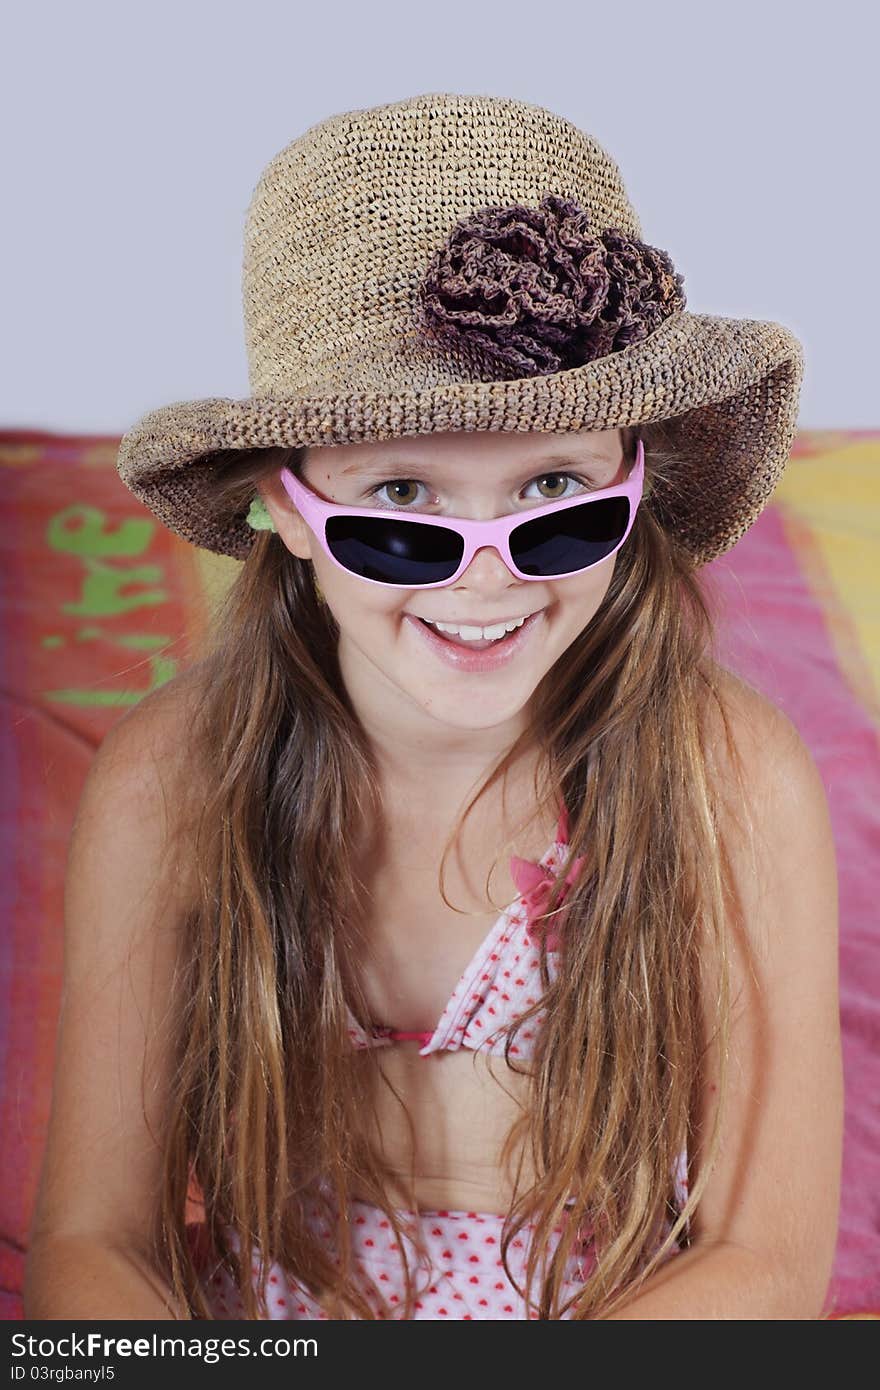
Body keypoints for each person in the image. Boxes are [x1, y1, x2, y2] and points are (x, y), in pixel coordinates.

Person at [24, 92, 842, 1322]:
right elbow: (94, 1239)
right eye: (401, 498)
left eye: (554, 490)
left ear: (638, 476)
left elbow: (765, 1263)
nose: (486, 571)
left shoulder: (723, 771)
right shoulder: (176, 777)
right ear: (284, 509)